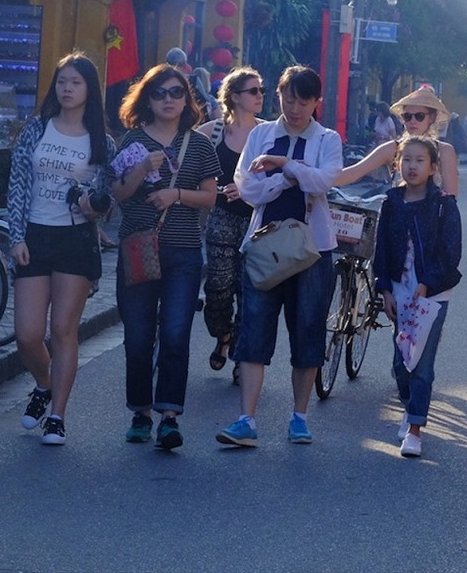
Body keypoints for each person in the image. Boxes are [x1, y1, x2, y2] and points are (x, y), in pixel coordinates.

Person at [216, 65, 342, 448]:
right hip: (264, 244)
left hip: (313, 250)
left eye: (304, 101)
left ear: (316, 102)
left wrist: (285, 165)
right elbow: (247, 189)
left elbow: (325, 181)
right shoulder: (261, 134)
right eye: (288, 99)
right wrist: (285, 178)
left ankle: (299, 417)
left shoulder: (327, 139)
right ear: (279, 98)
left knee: (307, 328)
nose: (295, 108)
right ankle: (246, 419)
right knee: (254, 328)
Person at [7, 52, 116, 445]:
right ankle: (43, 384)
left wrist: (94, 205)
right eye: (62, 81)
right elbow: (17, 184)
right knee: (27, 333)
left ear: (90, 89)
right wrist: (15, 235)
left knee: (63, 330)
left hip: (75, 238)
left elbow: (107, 198)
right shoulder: (37, 129)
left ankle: (57, 415)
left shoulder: (102, 140)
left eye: (76, 82)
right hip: (35, 235)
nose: (67, 89)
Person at [111, 65, 220, 450]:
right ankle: (140, 411)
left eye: (176, 93)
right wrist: (142, 168)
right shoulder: (132, 142)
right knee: (138, 337)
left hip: (183, 251)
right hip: (138, 249)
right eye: (160, 93)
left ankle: (170, 416)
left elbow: (210, 196)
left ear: (186, 99)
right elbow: (118, 195)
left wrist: (175, 195)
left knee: (175, 333)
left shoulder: (200, 145)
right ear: (147, 98)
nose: (169, 100)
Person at [372, 135, 462, 458]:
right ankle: (409, 403)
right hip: (400, 290)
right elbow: (380, 250)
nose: (412, 166)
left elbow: (451, 253)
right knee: (401, 362)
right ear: (398, 164)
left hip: (433, 295)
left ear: (433, 167)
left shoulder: (443, 205)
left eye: (419, 160)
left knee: (422, 363)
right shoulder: (391, 203)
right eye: (406, 160)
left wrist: (427, 283)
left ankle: (414, 429)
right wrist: (384, 288)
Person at [196, 67, 266, 383]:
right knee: (218, 288)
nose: (259, 96)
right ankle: (222, 334)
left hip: (257, 220)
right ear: (235, 96)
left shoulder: (268, 134)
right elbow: (184, 157)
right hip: (221, 217)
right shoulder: (212, 132)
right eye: (253, 91)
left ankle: (239, 351)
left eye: (261, 90)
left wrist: (251, 188)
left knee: (248, 292)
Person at [335, 84, 458, 197]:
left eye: (419, 116)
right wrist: (320, 180)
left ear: (432, 118)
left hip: (432, 218)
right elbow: (354, 172)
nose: (412, 121)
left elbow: (451, 196)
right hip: (398, 216)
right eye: (407, 116)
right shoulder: (393, 148)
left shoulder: (444, 151)